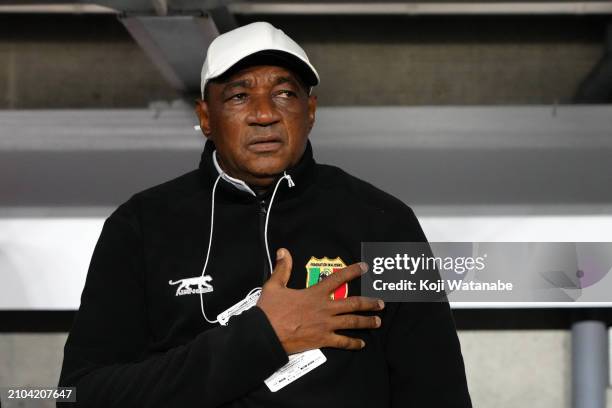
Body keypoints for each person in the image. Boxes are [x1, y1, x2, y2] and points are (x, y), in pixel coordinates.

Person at [58, 21, 471, 407]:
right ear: (205, 117)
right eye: (239, 96)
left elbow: (439, 391)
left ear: (310, 111)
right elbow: (79, 394)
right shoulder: (140, 226)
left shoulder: (386, 221)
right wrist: (260, 338)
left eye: (284, 94)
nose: (264, 114)